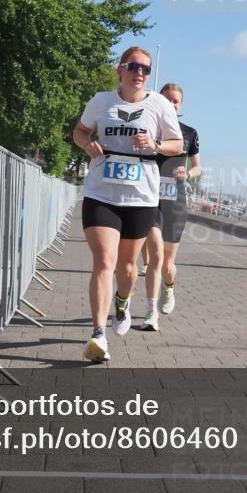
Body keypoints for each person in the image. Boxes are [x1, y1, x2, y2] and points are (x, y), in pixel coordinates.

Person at [73, 47, 183, 362]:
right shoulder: (101, 101)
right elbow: (80, 132)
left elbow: (176, 145)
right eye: (133, 67)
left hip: (140, 197)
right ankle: (97, 336)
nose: (139, 73)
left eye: (145, 70)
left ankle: (123, 302)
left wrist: (156, 144)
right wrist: (88, 144)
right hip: (101, 193)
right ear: (120, 70)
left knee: (128, 267)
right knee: (104, 262)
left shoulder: (160, 105)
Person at [140, 83, 201, 331]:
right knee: (155, 256)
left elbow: (198, 167)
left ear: (180, 105)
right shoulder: (147, 129)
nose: (171, 103)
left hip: (175, 200)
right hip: (149, 198)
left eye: (176, 101)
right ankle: (150, 312)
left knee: (166, 264)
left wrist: (188, 172)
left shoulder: (189, 133)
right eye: (167, 99)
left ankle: (170, 287)